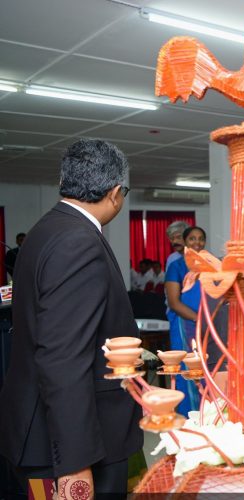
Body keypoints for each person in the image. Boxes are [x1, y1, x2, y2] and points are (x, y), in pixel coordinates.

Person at [0, 139, 142, 497]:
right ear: (115, 193)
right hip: (68, 446)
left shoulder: (47, 229)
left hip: (44, 429)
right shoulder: (78, 241)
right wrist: (75, 465)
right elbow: (63, 357)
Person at [164, 225, 206, 414]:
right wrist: (199, 319)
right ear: (185, 242)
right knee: (186, 369)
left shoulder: (209, 266)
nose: (197, 242)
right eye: (192, 239)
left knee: (206, 368)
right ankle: (188, 416)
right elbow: (174, 302)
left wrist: (208, 322)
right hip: (185, 324)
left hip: (206, 326)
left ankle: (208, 413)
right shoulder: (176, 266)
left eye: (201, 238)